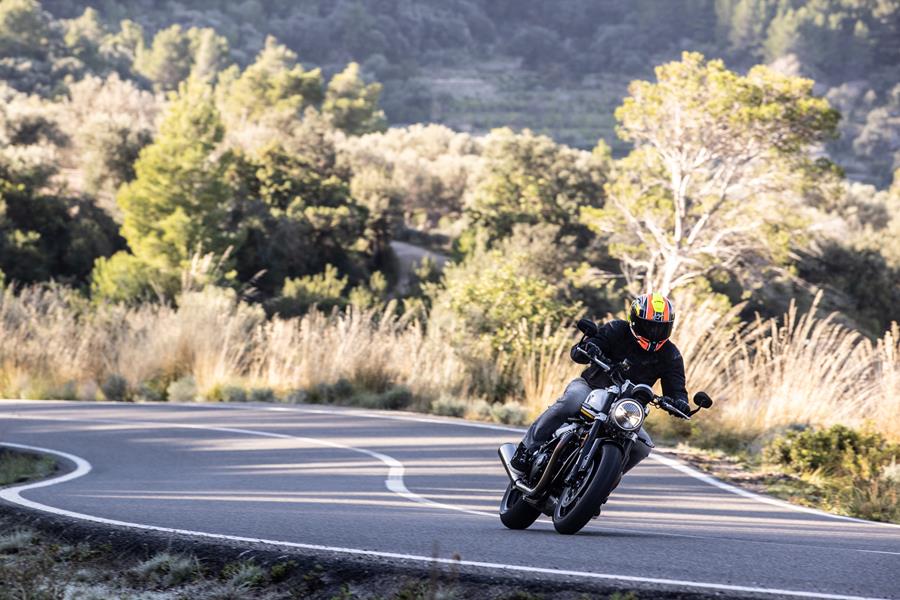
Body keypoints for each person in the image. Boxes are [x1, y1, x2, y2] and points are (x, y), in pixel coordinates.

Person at [510, 292, 691, 474]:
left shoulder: (670, 354)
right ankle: (527, 449)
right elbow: (594, 343)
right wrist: (591, 347)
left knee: (642, 447)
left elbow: (676, 387)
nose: (654, 332)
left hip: (626, 408)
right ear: (635, 320)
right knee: (569, 402)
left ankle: (603, 484)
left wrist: (680, 402)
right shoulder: (617, 329)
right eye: (648, 326)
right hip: (591, 387)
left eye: (660, 328)